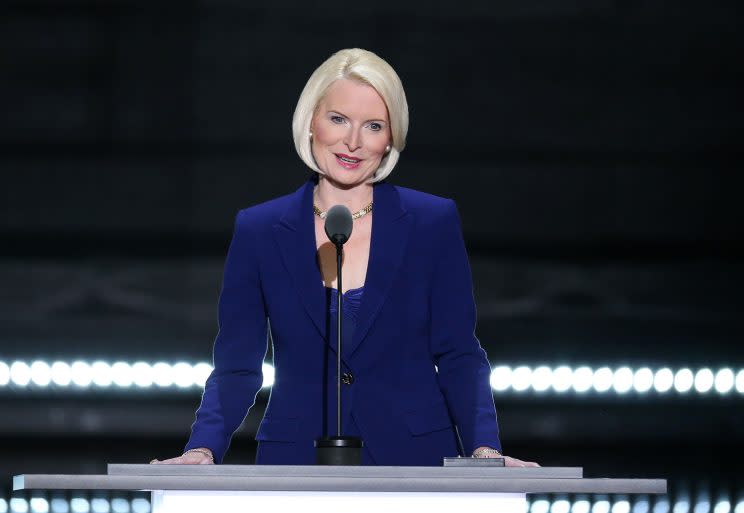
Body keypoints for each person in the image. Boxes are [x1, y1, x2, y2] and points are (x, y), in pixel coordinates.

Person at [151, 48, 538, 467]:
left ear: (391, 138)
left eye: (373, 126)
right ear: (311, 121)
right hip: (296, 456)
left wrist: (485, 450)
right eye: (338, 119)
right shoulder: (259, 229)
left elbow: (459, 351)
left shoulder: (432, 222)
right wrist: (202, 448)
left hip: (414, 457)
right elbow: (237, 364)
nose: (352, 142)